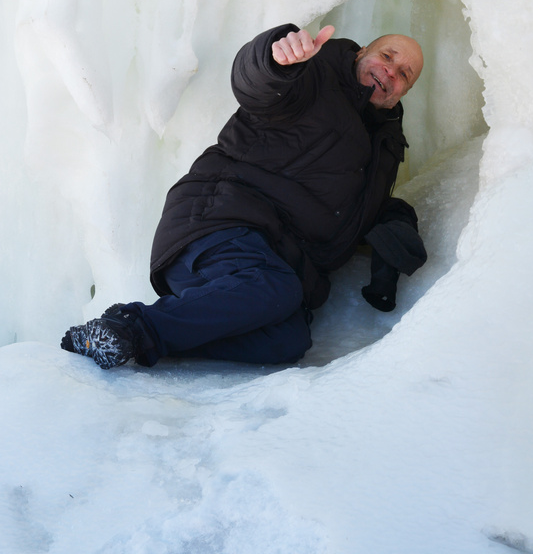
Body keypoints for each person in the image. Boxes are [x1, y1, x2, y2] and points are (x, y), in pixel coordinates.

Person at [61, 22, 426, 369]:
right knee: (276, 287)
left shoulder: (384, 145)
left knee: (287, 341)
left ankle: (142, 338)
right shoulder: (314, 76)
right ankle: (129, 328)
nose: (392, 71)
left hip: (265, 265)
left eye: (405, 74)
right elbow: (257, 83)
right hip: (219, 221)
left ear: (401, 96)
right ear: (362, 51)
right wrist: (274, 58)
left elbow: (359, 206)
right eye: (388, 56)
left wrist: (397, 219)